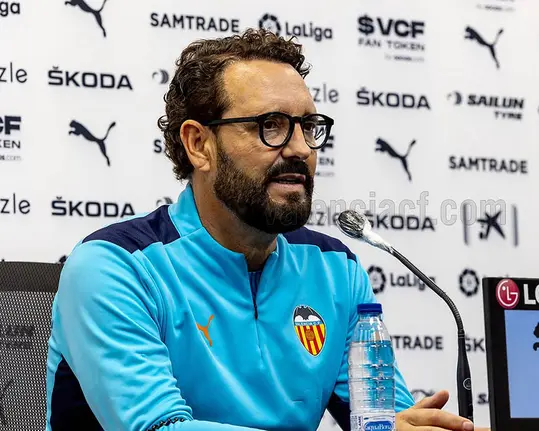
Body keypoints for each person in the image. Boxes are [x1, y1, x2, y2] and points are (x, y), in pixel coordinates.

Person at [45, 28, 482, 431]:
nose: (298, 149)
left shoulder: (334, 270)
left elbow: (380, 420)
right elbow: (160, 428)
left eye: (308, 127)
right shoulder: (115, 267)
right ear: (199, 144)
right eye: (269, 126)